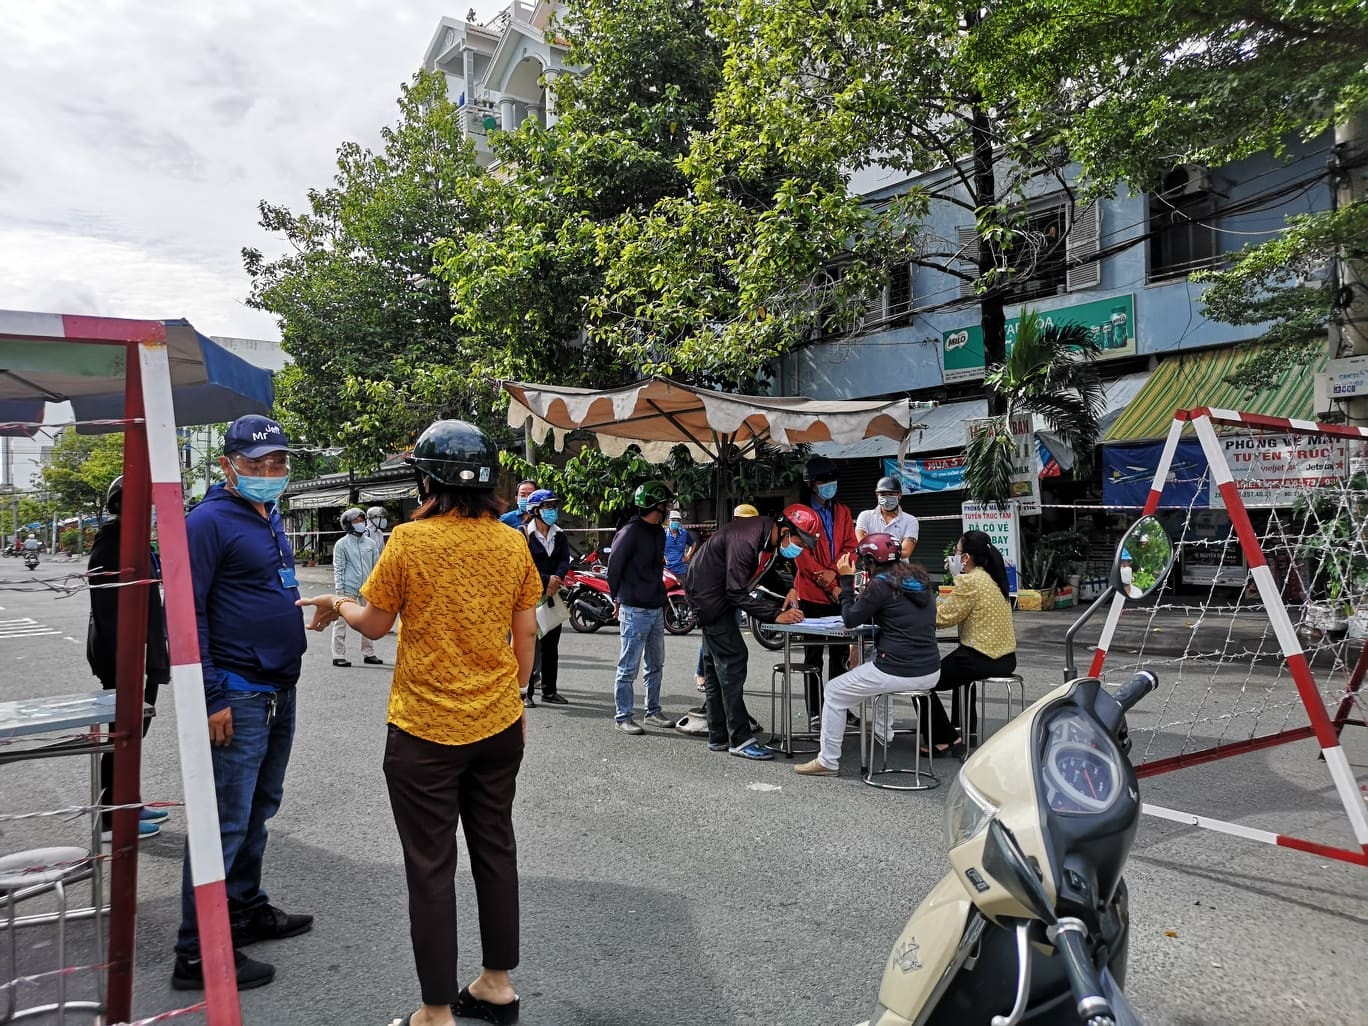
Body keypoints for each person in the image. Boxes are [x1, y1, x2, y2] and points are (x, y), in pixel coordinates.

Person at [297, 418, 537, 1026]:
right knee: (496, 849)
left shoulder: (408, 540)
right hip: (498, 723)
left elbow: (374, 624)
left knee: (430, 866)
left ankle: (435, 1011)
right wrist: (513, 696)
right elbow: (526, 631)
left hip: (424, 729)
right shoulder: (511, 543)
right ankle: (496, 984)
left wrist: (336, 602)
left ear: (425, 478)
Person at [173, 414, 311, 993]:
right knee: (224, 820)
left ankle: (245, 908)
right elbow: (187, 614)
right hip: (235, 690)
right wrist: (209, 697)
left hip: (277, 687)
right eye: (256, 465)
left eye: (277, 463)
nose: (269, 473)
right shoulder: (205, 522)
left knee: (260, 808)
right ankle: (195, 951)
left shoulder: (268, 514)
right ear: (228, 465)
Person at [795, 533, 940, 776]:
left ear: (872, 561)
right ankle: (885, 737)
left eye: (865, 561)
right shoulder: (918, 579)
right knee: (879, 684)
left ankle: (827, 761)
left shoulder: (881, 584)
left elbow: (851, 619)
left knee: (833, 691)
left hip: (898, 669)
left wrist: (846, 581)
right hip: (930, 670)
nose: (864, 566)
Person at [685, 505, 818, 760]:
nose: (800, 548)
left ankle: (719, 736)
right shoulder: (747, 539)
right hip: (710, 600)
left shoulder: (765, 537)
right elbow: (736, 591)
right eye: (800, 541)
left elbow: (764, 575)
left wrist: (790, 588)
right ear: (786, 530)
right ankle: (741, 739)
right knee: (733, 659)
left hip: (711, 597)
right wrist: (775, 615)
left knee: (714, 668)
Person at [87, 475, 170, 841]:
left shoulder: (137, 540)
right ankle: (111, 818)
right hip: (125, 655)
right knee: (121, 735)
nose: (151, 512)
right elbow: (107, 604)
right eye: (144, 504)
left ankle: (130, 801)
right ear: (122, 504)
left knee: (135, 732)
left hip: (144, 651)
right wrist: (129, 658)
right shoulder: (112, 538)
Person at [928, 529, 1018, 756]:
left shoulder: (971, 581)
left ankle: (945, 738)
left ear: (966, 557)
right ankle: (968, 732)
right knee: (961, 675)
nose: (956, 557)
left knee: (921, 680)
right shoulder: (995, 579)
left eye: (958, 552)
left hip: (980, 658)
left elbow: (943, 618)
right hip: (1006, 659)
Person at [793, 457, 859, 725]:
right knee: (813, 656)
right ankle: (815, 712)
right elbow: (801, 555)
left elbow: (851, 547)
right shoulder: (799, 514)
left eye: (832, 480)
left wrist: (836, 575)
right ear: (811, 484)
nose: (829, 485)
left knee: (840, 655)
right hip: (812, 593)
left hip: (840, 590)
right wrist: (831, 582)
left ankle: (840, 708)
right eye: (823, 481)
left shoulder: (842, 511)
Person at [607, 481, 675, 734]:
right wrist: (617, 597)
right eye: (664, 505)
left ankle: (653, 711)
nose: (667, 510)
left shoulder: (658, 532)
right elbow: (614, 566)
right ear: (652, 505)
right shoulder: (630, 532)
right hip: (634, 608)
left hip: (655, 606)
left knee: (655, 664)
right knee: (628, 667)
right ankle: (623, 716)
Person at [524, 488, 570, 706]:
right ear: (535, 510)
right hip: (529, 597)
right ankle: (526, 693)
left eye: (554, 506)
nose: (552, 510)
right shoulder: (523, 534)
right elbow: (524, 565)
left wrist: (556, 579)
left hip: (552, 595)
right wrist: (545, 580)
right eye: (547, 506)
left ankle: (550, 691)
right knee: (529, 646)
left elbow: (564, 560)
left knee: (551, 646)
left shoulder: (559, 534)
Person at [331, 507, 382, 668]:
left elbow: (376, 567)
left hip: (367, 587)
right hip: (348, 588)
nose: (361, 523)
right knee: (341, 622)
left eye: (362, 520)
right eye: (356, 521)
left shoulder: (371, 543)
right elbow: (338, 567)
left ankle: (369, 653)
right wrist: (339, 590)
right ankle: (338, 655)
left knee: (369, 621)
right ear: (348, 524)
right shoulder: (342, 544)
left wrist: (376, 586)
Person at [855, 476, 919, 559]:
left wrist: (872, 546)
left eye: (891, 494)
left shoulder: (910, 520)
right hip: (872, 570)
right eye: (883, 494)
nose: (886, 498)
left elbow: (905, 552)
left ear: (899, 495)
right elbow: (863, 547)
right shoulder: (865, 516)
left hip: (899, 570)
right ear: (877, 495)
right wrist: (894, 550)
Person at [663, 510, 695, 577]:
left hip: (681, 570)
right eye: (673, 520)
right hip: (667, 571)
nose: (675, 522)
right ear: (668, 521)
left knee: (682, 587)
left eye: (677, 520)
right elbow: (657, 548)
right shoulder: (663, 534)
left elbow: (693, 544)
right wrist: (663, 557)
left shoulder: (684, 533)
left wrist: (688, 556)